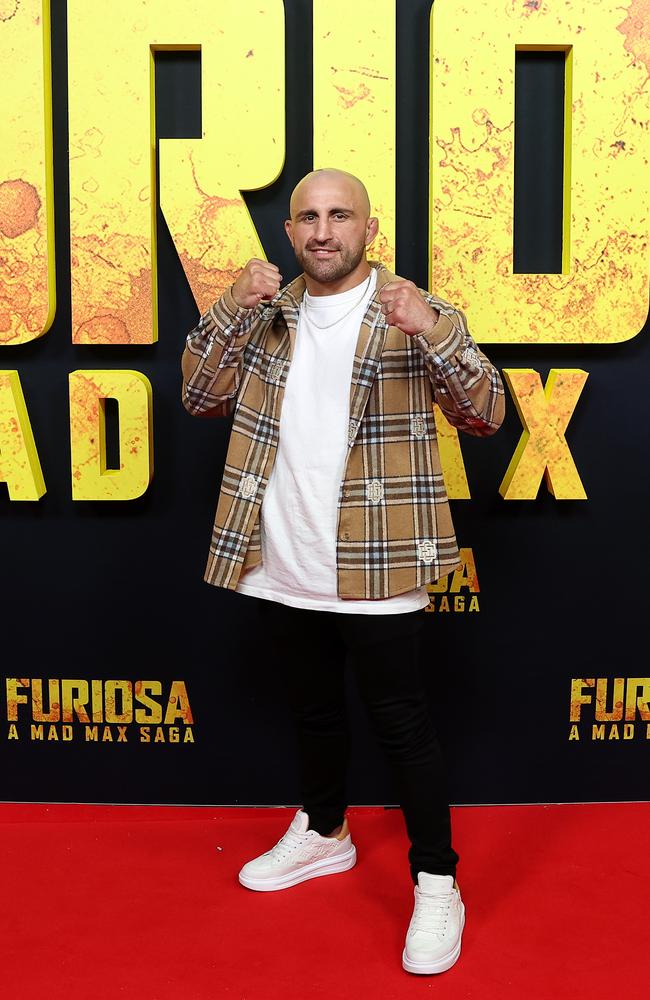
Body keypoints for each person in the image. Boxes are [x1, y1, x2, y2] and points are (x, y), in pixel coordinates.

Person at [181, 168, 505, 975]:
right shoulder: (264, 315)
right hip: (281, 556)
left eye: (340, 216)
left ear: (368, 229)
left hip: (378, 561)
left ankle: (438, 883)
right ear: (290, 233)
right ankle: (325, 832)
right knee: (314, 712)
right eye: (309, 218)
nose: (324, 231)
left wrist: (432, 328)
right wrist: (228, 304)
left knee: (403, 726)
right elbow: (195, 394)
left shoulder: (411, 312)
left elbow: (489, 412)